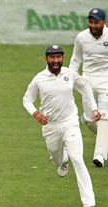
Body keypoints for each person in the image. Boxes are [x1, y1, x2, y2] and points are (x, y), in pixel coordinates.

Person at [23, 45, 100, 207]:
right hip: (51, 127)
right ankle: (62, 160)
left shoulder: (69, 74)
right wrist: (36, 114)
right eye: (52, 57)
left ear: (62, 58)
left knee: (78, 159)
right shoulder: (39, 79)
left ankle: (89, 205)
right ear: (46, 59)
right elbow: (27, 99)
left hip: (70, 122)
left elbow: (85, 88)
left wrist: (94, 109)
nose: (56, 61)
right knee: (56, 159)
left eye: (59, 57)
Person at [70, 8, 108, 167]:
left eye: (96, 22)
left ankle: (100, 154)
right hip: (87, 80)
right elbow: (75, 59)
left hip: (106, 79)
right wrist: (71, 78)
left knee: (104, 116)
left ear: (103, 22)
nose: (93, 25)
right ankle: (105, 139)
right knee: (89, 119)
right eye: (90, 22)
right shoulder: (81, 37)